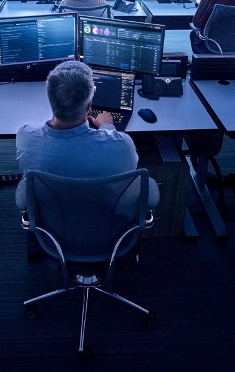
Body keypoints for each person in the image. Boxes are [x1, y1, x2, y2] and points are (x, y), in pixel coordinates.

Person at [15, 61, 159, 258]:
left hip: (53, 234)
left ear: (50, 100)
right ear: (89, 106)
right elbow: (130, 170)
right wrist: (107, 127)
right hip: (110, 234)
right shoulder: (122, 145)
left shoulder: (25, 138)